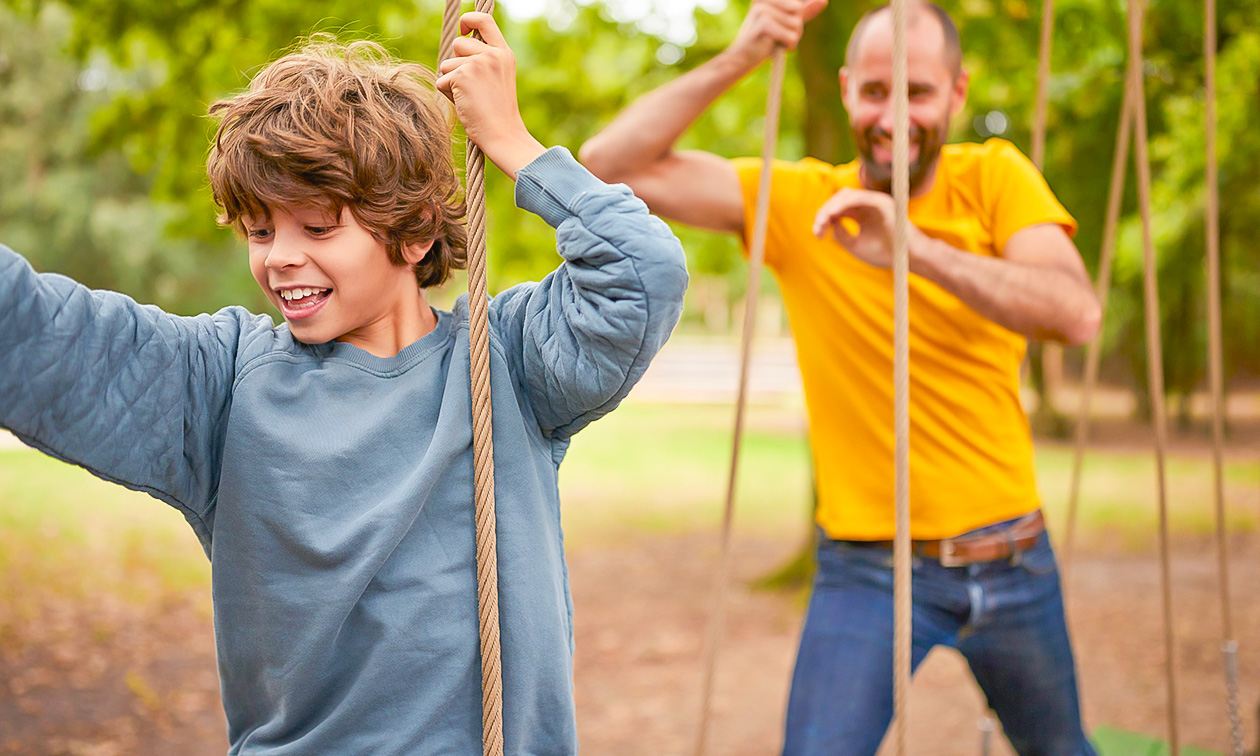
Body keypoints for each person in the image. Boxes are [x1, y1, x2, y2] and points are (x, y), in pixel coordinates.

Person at [0, 13, 686, 755]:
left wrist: (512, 142)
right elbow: (36, 330)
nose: (278, 258)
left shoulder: (508, 363)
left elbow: (640, 274)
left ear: (415, 231)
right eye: (261, 230)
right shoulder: (221, 384)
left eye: (318, 228)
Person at [581, 0, 1101, 754]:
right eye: (875, 92)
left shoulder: (996, 178)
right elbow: (608, 165)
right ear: (847, 89)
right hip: (867, 570)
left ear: (957, 93)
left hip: (1013, 557)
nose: (894, 117)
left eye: (918, 92)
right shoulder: (802, 204)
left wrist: (911, 248)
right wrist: (743, 54)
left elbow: (1075, 313)